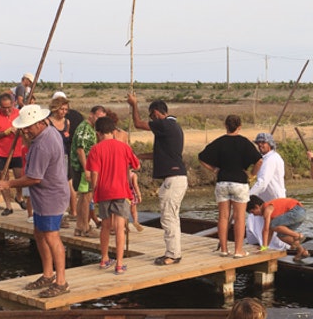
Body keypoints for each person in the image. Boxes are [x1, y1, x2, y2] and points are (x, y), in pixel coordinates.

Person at [0, 104, 71, 298]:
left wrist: (8, 184)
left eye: (28, 126)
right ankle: (47, 274)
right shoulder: (48, 131)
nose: (25, 130)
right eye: (24, 126)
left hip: (51, 196)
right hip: (44, 195)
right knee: (39, 233)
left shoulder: (43, 145)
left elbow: (34, 178)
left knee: (51, 236)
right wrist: (23, 136)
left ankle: (61, 281)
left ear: (39, 123)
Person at [128, 93, 188, 265]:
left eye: (151, 116)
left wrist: (134, 104)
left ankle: (172, 255)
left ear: (155, 113)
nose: (151, 120)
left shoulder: (165, 124)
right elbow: (159, 154)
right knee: (172, 217)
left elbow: (138, 124)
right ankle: (174, 252)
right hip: (177, 178)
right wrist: (138, 156)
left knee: (168, 217)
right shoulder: (172, 127)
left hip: (174, 179)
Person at [198, 114, 262, 259]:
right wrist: (252, 174)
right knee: (239, 218)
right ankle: (238, 250)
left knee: (223, 217)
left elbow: (201, 157)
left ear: (225, 126)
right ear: (239, 127)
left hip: (223, 181)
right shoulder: (244, 143)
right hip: (239, 181)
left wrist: (214, 169)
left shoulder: (219, 142)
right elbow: (259, 161)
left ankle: (224, 249)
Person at [86, 116, 141, 275]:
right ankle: (119, 263)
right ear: (113, 131)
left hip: (103, 191)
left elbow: (94, 173)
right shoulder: (124, 147)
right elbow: (136, 165)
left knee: (105, 225)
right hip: (121, 191)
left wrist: (93, 191)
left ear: (98, 133)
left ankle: (104, 259)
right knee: (119, 227)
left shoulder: (95, 149)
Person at [245, 132, 288, 251]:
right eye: (258, 143)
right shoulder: (264, 159)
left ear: (270, 144)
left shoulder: (271, 159)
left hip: (274, 199)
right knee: (253, 222)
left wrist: (246, 196)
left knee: (273, 226)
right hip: (263, 199)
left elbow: (262, 183)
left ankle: (277, 249)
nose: (260, 145)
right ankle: (257, 244)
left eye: (263, 143)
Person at [70, 105, 106, 237]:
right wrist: (87, 170)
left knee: (84, 196)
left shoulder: (92, 129)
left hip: (87, 167)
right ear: (91, 115)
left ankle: (80, 226)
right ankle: (84, 227)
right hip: (83, 168)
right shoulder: (84, 128)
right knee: (85, 197)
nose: (100, 120)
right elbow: (80, 150)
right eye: (98, 117)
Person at [0, 92, 24, 214]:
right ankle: (8, 206)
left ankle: (19, 196)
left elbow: (27, 130)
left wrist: (20, 131)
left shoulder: (18, 114)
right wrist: (5, 132)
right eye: (4, 108)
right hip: (0, 152)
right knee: (3, 179)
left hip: (16, 151)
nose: (7, 110)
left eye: (9, 107)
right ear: (0, 106)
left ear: (13, 104)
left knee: (20, 176)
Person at [245, 195, 310, 260]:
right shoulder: (270, 212)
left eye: (252, 212)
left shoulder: (267, 209)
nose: (254, 215)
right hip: (300, 213)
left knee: (273, 225)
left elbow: (265, 230)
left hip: (296, 211)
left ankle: (298, 235)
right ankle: (302, 251)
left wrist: (264, 247)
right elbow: (270, 232)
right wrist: (265, 246)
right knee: (281, 235)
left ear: (257, 207)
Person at [52, 90, 83, 219]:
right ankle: (71, 211)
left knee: (65, 182)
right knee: (68, 182)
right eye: (62, 108)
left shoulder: (67, 120)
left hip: (64, 153)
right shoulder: (75, 116)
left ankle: (68, 211)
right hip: (68, 152)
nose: (64, 111)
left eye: (65, 108)